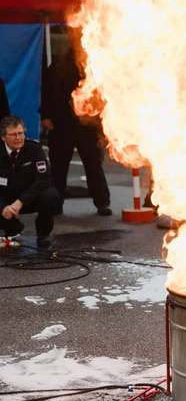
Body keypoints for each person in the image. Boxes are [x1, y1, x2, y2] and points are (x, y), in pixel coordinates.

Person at [40, 45, 112, 216]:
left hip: (86, 124)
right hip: (61, 122)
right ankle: (55, 203)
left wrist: (102, 120)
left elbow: (101, 95)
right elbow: (47, 90)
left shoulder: (94, 66)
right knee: (58, 165)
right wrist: (46, 115)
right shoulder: (58, 65)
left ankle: (102, 202)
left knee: (93, 163)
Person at [0, 116, 62, 250]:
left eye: (21, 133)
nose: (18, 138)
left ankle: (43, 233)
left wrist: (20, 202)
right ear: (3, 137)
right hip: (6, 200)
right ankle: (11, 227)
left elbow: (43, 179)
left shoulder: (33, 149)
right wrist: (3, 207)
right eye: (13, 134)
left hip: (29, 199)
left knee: (50, 195)